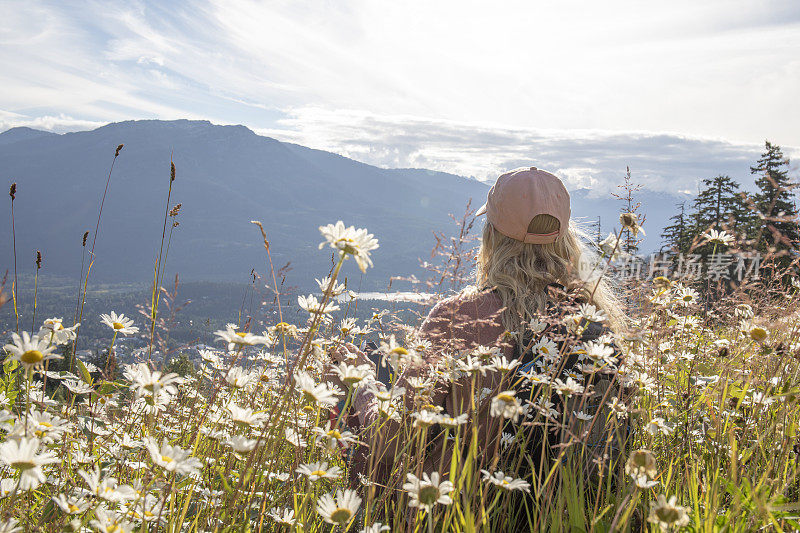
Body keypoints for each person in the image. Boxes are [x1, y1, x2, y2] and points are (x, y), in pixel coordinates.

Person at [331, 167, 627, 524]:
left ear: (492, 237)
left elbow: (393, 439)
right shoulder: (593, 323)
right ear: (565, 238)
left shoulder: (459, 316)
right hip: (557, 517)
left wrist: (360, 382)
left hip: (457, 516)